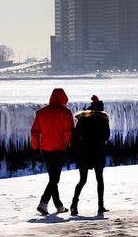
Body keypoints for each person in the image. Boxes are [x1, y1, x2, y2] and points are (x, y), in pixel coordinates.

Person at [30, 88, 74, 216]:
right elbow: (68, 133)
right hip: (59, 149)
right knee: (55, 178)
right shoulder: (66, 112)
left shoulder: (41, 112)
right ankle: (43, 203)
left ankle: (59, 206)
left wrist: (35, 148)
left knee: (52, 178)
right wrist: (70, 148)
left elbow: (34, 132)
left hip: (45, 149)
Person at [70, 95, 111, 216]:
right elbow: (106, 136)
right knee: (99, 179)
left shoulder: (83, 119)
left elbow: (76, 136)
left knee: (82, 180)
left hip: (84, 152)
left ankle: (74, 205)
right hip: (98, 151)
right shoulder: (103, 119)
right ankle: (100, 206)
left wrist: (77, 149)